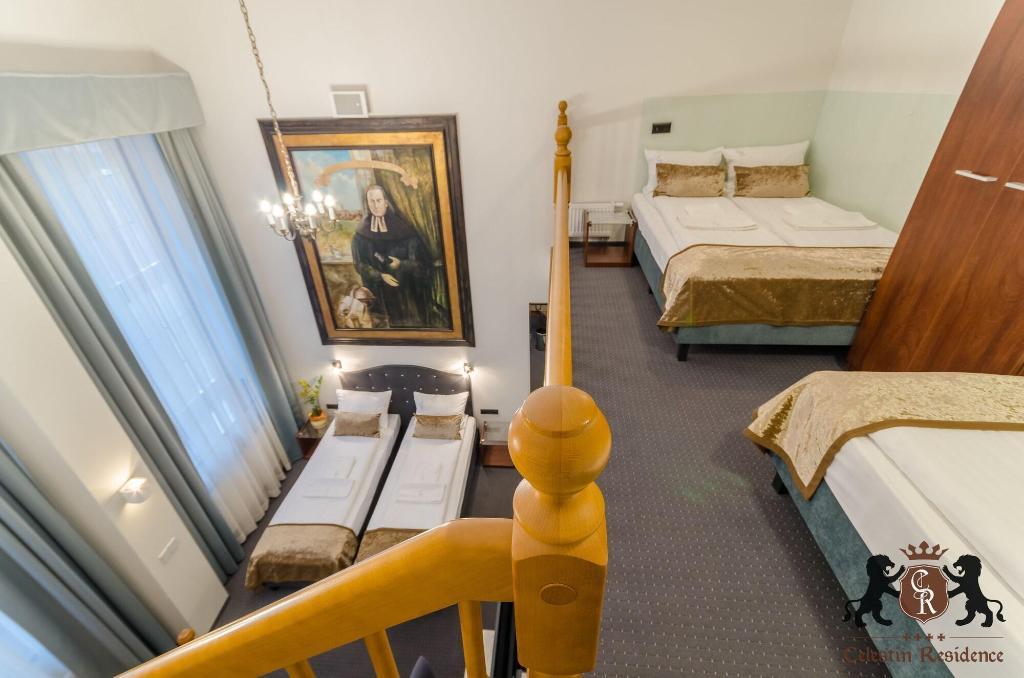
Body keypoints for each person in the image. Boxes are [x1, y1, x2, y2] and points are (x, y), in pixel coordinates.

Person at [350, 185, 432, 328]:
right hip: (376, 292)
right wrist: (380, 275)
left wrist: (401, 264)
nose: (375, 205)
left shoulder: (404, 229)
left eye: (379, 200)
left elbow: (421, 263)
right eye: (371, 201)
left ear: (386, 202)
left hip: (404, 294)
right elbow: (359, 263)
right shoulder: (361, 233)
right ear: (367, 204)